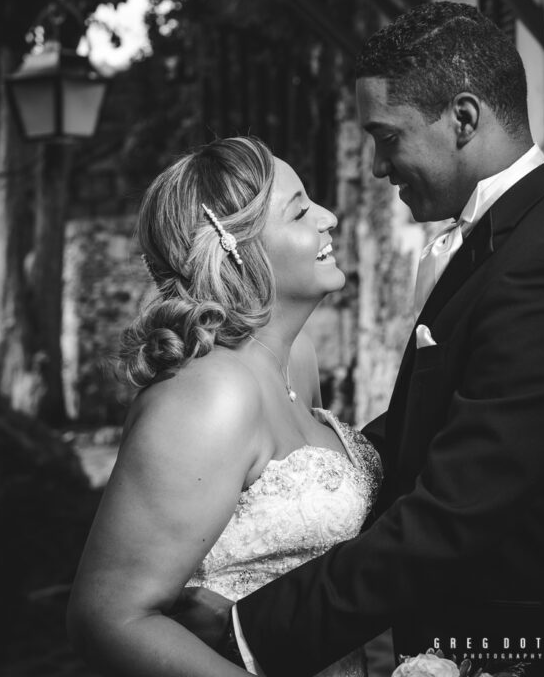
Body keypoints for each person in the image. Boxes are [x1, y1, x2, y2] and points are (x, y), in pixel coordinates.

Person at [176, 2, 544, 677]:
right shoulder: (508, 247)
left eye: (386, 136)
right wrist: (311, 465)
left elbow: (455, 512)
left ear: (464, 119)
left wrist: (246, 630)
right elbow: (439, 426)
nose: (377, 168)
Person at [66, 135, 383, 677]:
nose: (329, 218)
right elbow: (107, 617)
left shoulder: (297, 363)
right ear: (239, 247)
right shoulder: (210, 394)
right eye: (300, 210)